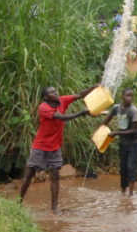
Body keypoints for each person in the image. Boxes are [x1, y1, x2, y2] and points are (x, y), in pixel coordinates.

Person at [18, 85, 93, 213]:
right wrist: (81, 113)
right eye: (52, 92)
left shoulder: (62, 100)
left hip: (55, 146)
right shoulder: (44, 108)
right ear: (46, 97)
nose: (56, 92)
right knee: (29, 174)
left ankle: (54, 207)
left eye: (55, 90)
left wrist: (94, 87)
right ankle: (18, 202)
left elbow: (80, 95)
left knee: (55, 176)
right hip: (40, 146)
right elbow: (61, 117)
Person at [100, 88, 137, 196]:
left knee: (131, 167)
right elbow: (107, 120)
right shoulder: (116, 108)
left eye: (131, 96)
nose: (129, 98)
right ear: (122, 96)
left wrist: (117, 133)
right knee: (123, 167)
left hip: (133, 143)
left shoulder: (133, 110)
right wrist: (99, 130)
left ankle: (130, 194)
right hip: (123, 143)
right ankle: (123, 192)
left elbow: (134, 130)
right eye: (127, 95)